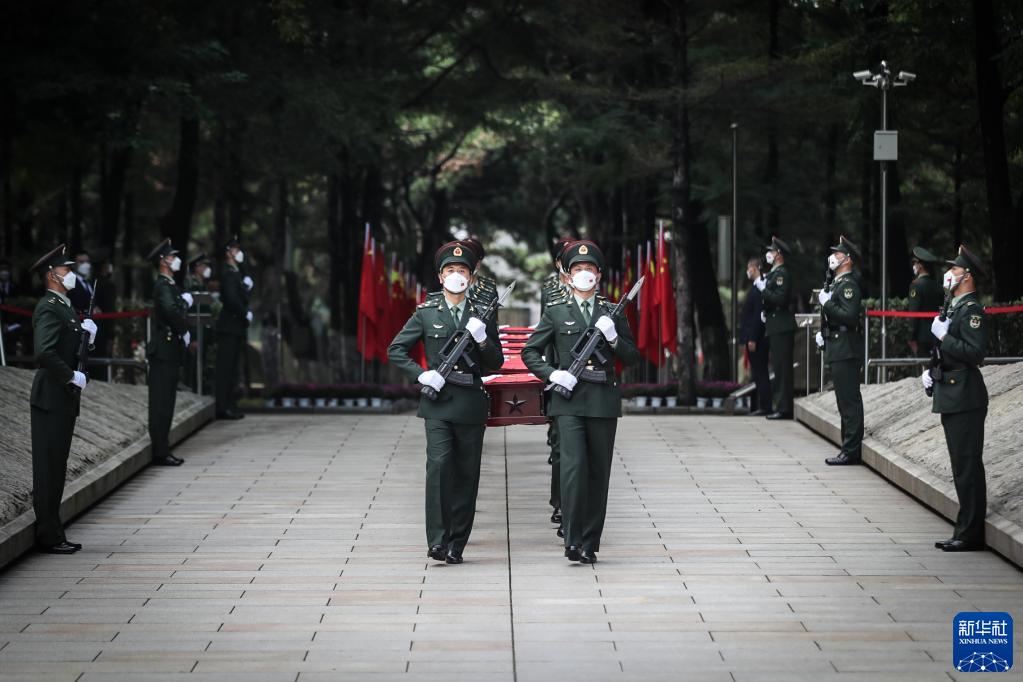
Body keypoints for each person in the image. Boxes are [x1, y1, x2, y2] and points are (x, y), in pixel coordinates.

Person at [522, 240, 639, 564]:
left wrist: (613, 338)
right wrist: (553, 374)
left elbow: (631, 356)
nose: (583, 273)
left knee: (598, 474)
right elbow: (530, 351)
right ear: (568, 275)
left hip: (602, 401)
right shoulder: (556, 311)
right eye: (577, 269)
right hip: (569, 402)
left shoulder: (612, 312)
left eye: (589, 268)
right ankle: (572, 540)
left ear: (598, 275)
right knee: (573, 469)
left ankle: (590, 542)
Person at [387, 241, 503, 564]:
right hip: (438, 403)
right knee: (439, 467)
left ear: (471, 276)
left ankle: (457, 543)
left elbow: (496, 362)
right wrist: (421, 375)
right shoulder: (427, 312)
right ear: (440, 276)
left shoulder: (482, 313)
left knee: (466, 473)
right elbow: (396, 349)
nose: (456, 275)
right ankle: (437, 540)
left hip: (470, 404)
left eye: (462, 270)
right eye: (450, 270)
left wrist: (482, 339)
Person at [29, 244, 97, 554]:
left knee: (57, 466)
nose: (71, 274)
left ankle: (54, 531)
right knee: (48, 467)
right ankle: (49, 534)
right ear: (52, 275)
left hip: (62, 398)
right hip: (51, 397)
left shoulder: (64, 305)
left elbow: (66, 346)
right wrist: (70, 375)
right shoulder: (49, 306)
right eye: (66, 270)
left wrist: (87, 339)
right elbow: (44, 351)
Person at [921, 245, 989, 552]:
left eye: (954, 269)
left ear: (967, 276)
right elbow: (946, 351)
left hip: (965, 395)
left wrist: (945, 337)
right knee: (960, 465)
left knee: (967, 465)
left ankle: (970, 533)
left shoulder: (971, 310)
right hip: (952, 392)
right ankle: (965, 527)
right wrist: (931, 370)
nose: (949, 274)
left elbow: (975, 354)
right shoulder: (954, 306)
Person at [817, 236, 865, 466]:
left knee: (849, 401)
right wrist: (824, 332)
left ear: (847, 259)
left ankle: (851, 451)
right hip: (838, 346)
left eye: (837, 254)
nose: (833, 257)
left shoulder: (848, 285)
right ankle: (847, 447)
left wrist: (827, 303)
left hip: (846, 348)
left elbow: (849, 316)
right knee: (843, 401)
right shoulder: (838, 283)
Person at [147, 239, 192, 466]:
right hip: (163, 351)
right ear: (163, 261)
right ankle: (160, 451)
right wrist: (183, 327)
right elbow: (170, 310)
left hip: (170, 349)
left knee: (167, 402)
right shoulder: (163, 286)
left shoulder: (169, 284)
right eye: (172, 257)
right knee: (161, 403)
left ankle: (163, 448)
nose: (176, 260)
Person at [540, 237, 573, 534]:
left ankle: (569, 506)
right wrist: (549, 375)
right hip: (557, 374)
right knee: (560, 446)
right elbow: (544, 339)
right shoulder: (550, 292)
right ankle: (560, 502)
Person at [756, 236, 795, 419]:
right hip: (775, 324)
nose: (768, 254)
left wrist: (764, 289)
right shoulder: (774, 273)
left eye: (771, 251)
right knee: (778, 369)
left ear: (779, 254)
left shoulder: (781, 274)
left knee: (782, 369)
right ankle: (781, 406)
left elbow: (780, 299)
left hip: (781, 325)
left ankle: (784, 408)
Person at [214, 236, 251, 420]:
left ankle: (229, 404)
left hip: (235, 327)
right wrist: (244, 313)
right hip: (230, 326)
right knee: (226, 368)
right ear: (228, 253)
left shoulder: (236, 272)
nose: (239, 253)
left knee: (232, 368)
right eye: (236, 249)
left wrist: (246, 288)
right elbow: (231, 299)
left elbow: (239, 296)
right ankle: (223, 406)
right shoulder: (228, 273)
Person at [739, 256, 771, 415]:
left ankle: (765, 406)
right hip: (756, 337)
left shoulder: (760, 287)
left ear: (756, 268)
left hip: (758, 338)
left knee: (760, 372)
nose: (747, 271)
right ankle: (761, 405)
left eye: (749, 267)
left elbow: (758, 316)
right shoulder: (756, 286)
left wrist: (752, 338)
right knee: (758, 373)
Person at [907, 246, 944, 358]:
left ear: (920, 266)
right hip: (937, 335)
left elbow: (914, 313)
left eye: (915, 263)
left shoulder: (916, 285)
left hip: (921, 337)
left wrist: (911, 337)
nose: (914, 266)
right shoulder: (938, 286)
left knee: (923, 367)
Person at [67, 250, 97, 316]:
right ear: (73, 265)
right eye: (81, 262)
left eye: (87, 262)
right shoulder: (68, 282)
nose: (85, 265)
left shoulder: (89, 282)